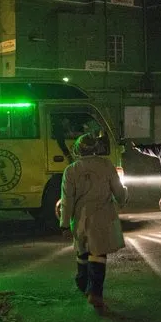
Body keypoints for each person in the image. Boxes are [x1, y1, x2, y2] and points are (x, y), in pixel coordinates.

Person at [60, 133, 128, 311]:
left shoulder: (71, 170)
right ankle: (95, 293)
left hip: (80, 218)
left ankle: (82, 284)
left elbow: (67, 200)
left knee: (82, 251)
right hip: (102, 217)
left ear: (77, 149)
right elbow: (118, 191)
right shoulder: (106, 165)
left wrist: (65, 224)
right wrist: (122, 200)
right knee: (98, 254)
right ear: (96, 148)